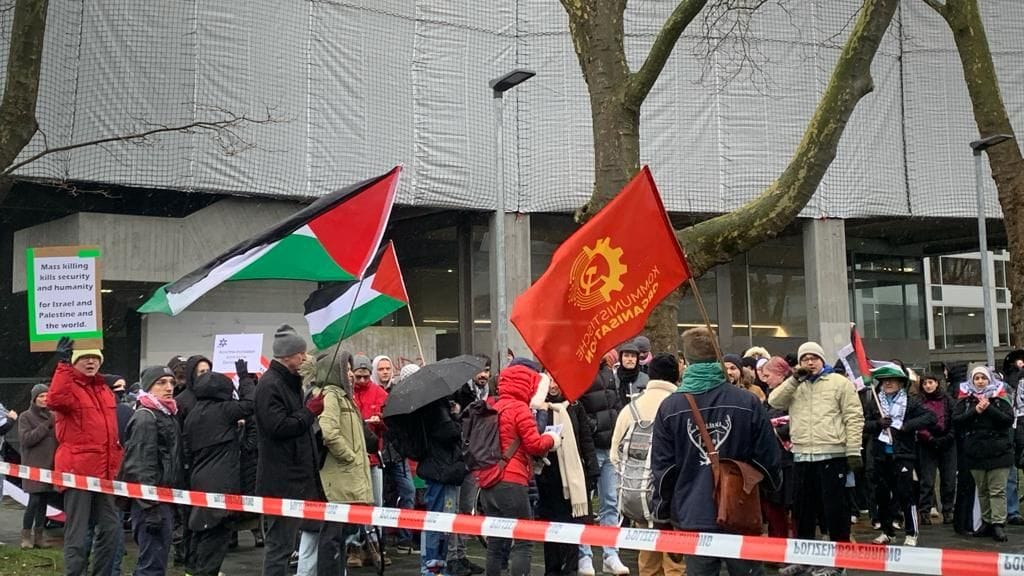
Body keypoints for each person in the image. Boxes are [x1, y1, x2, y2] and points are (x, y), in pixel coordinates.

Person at [651, 327, 780, 576]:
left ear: (686, 362)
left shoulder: (670, 407)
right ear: (719, 357)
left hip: (693, 513)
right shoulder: (747, 402)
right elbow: (769, 460)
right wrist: (767, 494)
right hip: (741, 509)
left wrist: (662, 515)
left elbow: (663, 471)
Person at [768, 341, 864, 554]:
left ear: (822, 360)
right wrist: (793, 379)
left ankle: (840, 559)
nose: (809, 362)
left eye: (814, 358)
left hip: (832, 454)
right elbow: (774, 401)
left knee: (834, 510)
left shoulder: (839, 382)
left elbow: (854, 417)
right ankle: (804, 559)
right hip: (802, 455)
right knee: (802, 512)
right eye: (805, 359)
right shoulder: (795, 384)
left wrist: (853, 450)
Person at [46, 338, 124, 576]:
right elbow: (55, 399)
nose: (90, 361)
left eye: (94, 357)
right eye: (83, 357)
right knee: (77, 535)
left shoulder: (104, 390)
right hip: (77, 473)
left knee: (111, 531)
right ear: (73, 361)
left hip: (105, 473)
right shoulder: (68, 387)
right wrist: (62, 365)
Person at [255, 325, 324, 576]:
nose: (305, 359)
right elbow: (278, 427)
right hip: (281, 481)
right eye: (301, 354)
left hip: (296, 478)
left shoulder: (289, 383)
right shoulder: (270, 385)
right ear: (288, 356)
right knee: (279, 547)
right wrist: (309, 412)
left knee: (288, 545)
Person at [481, 363, 558, 576]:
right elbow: (534, 445)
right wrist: (552, 439)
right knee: (523, 541)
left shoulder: (491, 407)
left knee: (495, 543)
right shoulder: (520, 409)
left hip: (488, 480)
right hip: (512, 480)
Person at [610, 354, 684, 576]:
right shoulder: (683, 405)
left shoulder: (631, 408)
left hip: (641, 495)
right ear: (677, 376)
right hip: (675, 496)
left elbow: (615, 454)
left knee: (648, 561)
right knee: (675, 563)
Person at [183, 363, 256, 576]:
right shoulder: (224, 410)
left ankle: (194, 570)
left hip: (198, 480)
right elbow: (251, 403)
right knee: (215, 536)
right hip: (220, 483)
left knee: (200, 531)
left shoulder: (193, 414)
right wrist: (244, 377)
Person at [120, 366, 183, 576]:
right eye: (161, 382)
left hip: (163, 499)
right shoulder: (146, 417)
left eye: (171, 382)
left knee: (157, 562)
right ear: (149, 386)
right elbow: (140, 465)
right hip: (151, 504)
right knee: (151, 566)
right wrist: (150, 507)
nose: (169, 387)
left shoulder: (167, 414)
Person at [316, 351, 374, 576]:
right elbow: (329, 432)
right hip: (338, 480)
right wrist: (349, 456)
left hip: (347, 480)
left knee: (341, 536)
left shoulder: (344, 397)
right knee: (332, 536)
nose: (351, 374)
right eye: (347, 369)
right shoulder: (331, 395)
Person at [862, 365, 934, 546]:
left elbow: (930, 417)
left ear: (901, 383)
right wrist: (878, 423)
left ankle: (912, 533)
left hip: (903, 454)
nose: (887, 383)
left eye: (891, 380)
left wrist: (906, 426)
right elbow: (864, 424)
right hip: (880, 454)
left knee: (905, 493)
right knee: (882, 495)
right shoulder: (875, 402)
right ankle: (888, 532)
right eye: (884, 380)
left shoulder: (911, 402)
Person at [534, 375, 598, 576]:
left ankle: (571, 569)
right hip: (548, 476)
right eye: (549, 381)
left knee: (572, 526)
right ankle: (551, 569)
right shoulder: (538, 408)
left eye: (556, 381)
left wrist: (593, 468)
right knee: (550, 527)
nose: (553, 386)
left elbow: (585, 440)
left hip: (572, 478)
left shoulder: (574, 406)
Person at [577, 357, 628, 576]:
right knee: (584, 505)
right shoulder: (578, 372)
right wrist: (595, 427)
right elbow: (577, 409)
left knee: (610, 501)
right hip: (590, 448)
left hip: (609, 447)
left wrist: (616, 426)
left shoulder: (608, 373)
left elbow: (615, 404)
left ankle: (610, 552)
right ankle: (584, 555)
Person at [953, 366, 1015, 542]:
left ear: (989, 379)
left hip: (998, 451)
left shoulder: (1000, 397)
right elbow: (957, 421)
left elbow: (1008, 420)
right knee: (983, 490)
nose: (980, 381)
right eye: (977, 378)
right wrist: (976, 411)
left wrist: (989, 408)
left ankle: (998, 524)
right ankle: (986, 522)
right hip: (975, 451)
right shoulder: (965, 400)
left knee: (997, 490)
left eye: (983, 378)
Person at [449, 355, 491, 576]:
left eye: (486, 370)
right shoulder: (458, 395)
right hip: (459, 460)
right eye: (479, 370)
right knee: (454, 510)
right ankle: (452, 557)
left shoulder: (490, 397)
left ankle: (462, 555)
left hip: (478, 459)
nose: (483, 375)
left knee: (467, 510)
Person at [416, 394, 467, 575]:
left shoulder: (430, 406)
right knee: (439, 518)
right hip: (442, 471)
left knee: (441, 518)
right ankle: (432, 564)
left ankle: (436, 563)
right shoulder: (436, 408)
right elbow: (449, 433)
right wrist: (454, 415)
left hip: (439, 469)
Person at [349, 354, 389, 567]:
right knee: (357, 504)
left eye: (365, 376)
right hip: (353, 459)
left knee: (377, 503)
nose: (363, 381)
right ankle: (354, 547)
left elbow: (389, 424)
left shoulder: (379, 393)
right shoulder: (347, 395)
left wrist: (380, 422)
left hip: (374, 458)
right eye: (358, 377)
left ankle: (375, 546)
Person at [758, 356, 795, 539]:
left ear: (780, 375)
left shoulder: (792, 395)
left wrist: (776, 429)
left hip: (788, 461)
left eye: (768, 375)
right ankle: (776, 546)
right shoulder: (768, 396)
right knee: (773, 508)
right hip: (772, 460)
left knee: (789, 507)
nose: (765, 379)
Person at [18, 383, 56, 549]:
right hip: (33, 466)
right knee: (34, 502)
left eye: (47, 395)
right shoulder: (25, 417)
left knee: (43, 503)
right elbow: (27, 440)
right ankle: (26, 536)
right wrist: (46, 425)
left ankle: (39, 536)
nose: (44, 399)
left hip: (50, 467)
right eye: (41, 396)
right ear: (34, 398)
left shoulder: (54, 415)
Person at [916, 373, 956, 526]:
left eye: (930, 382)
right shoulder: (919, 402)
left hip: (948, 443)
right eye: (925, 383)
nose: (928, 386)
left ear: (937, 383)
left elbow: (954, 420)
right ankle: (925, 511)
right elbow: (918, 422)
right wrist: (929, 438)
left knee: (949, 479)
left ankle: (948, 510)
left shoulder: (948, 400)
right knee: (927, 480)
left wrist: (948, 437)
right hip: (927, 444)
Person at [616, 339, 650, 406]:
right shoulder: (613, 379)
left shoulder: (646, 379)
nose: (630, 359)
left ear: (637, 359)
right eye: (626, 356)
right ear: (620, 358)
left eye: (633, 356)